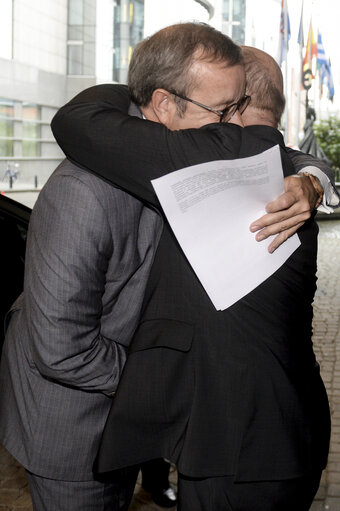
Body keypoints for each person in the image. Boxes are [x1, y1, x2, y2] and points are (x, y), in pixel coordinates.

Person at [51, 23, 337, 510]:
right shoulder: (284, 171)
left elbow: (75, 119)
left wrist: (151, 86)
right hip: (296, 428)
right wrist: (314, 177)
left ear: (239, 105)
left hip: (233, 450)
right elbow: (306, 162)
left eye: (225, 106)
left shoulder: (207, 158)